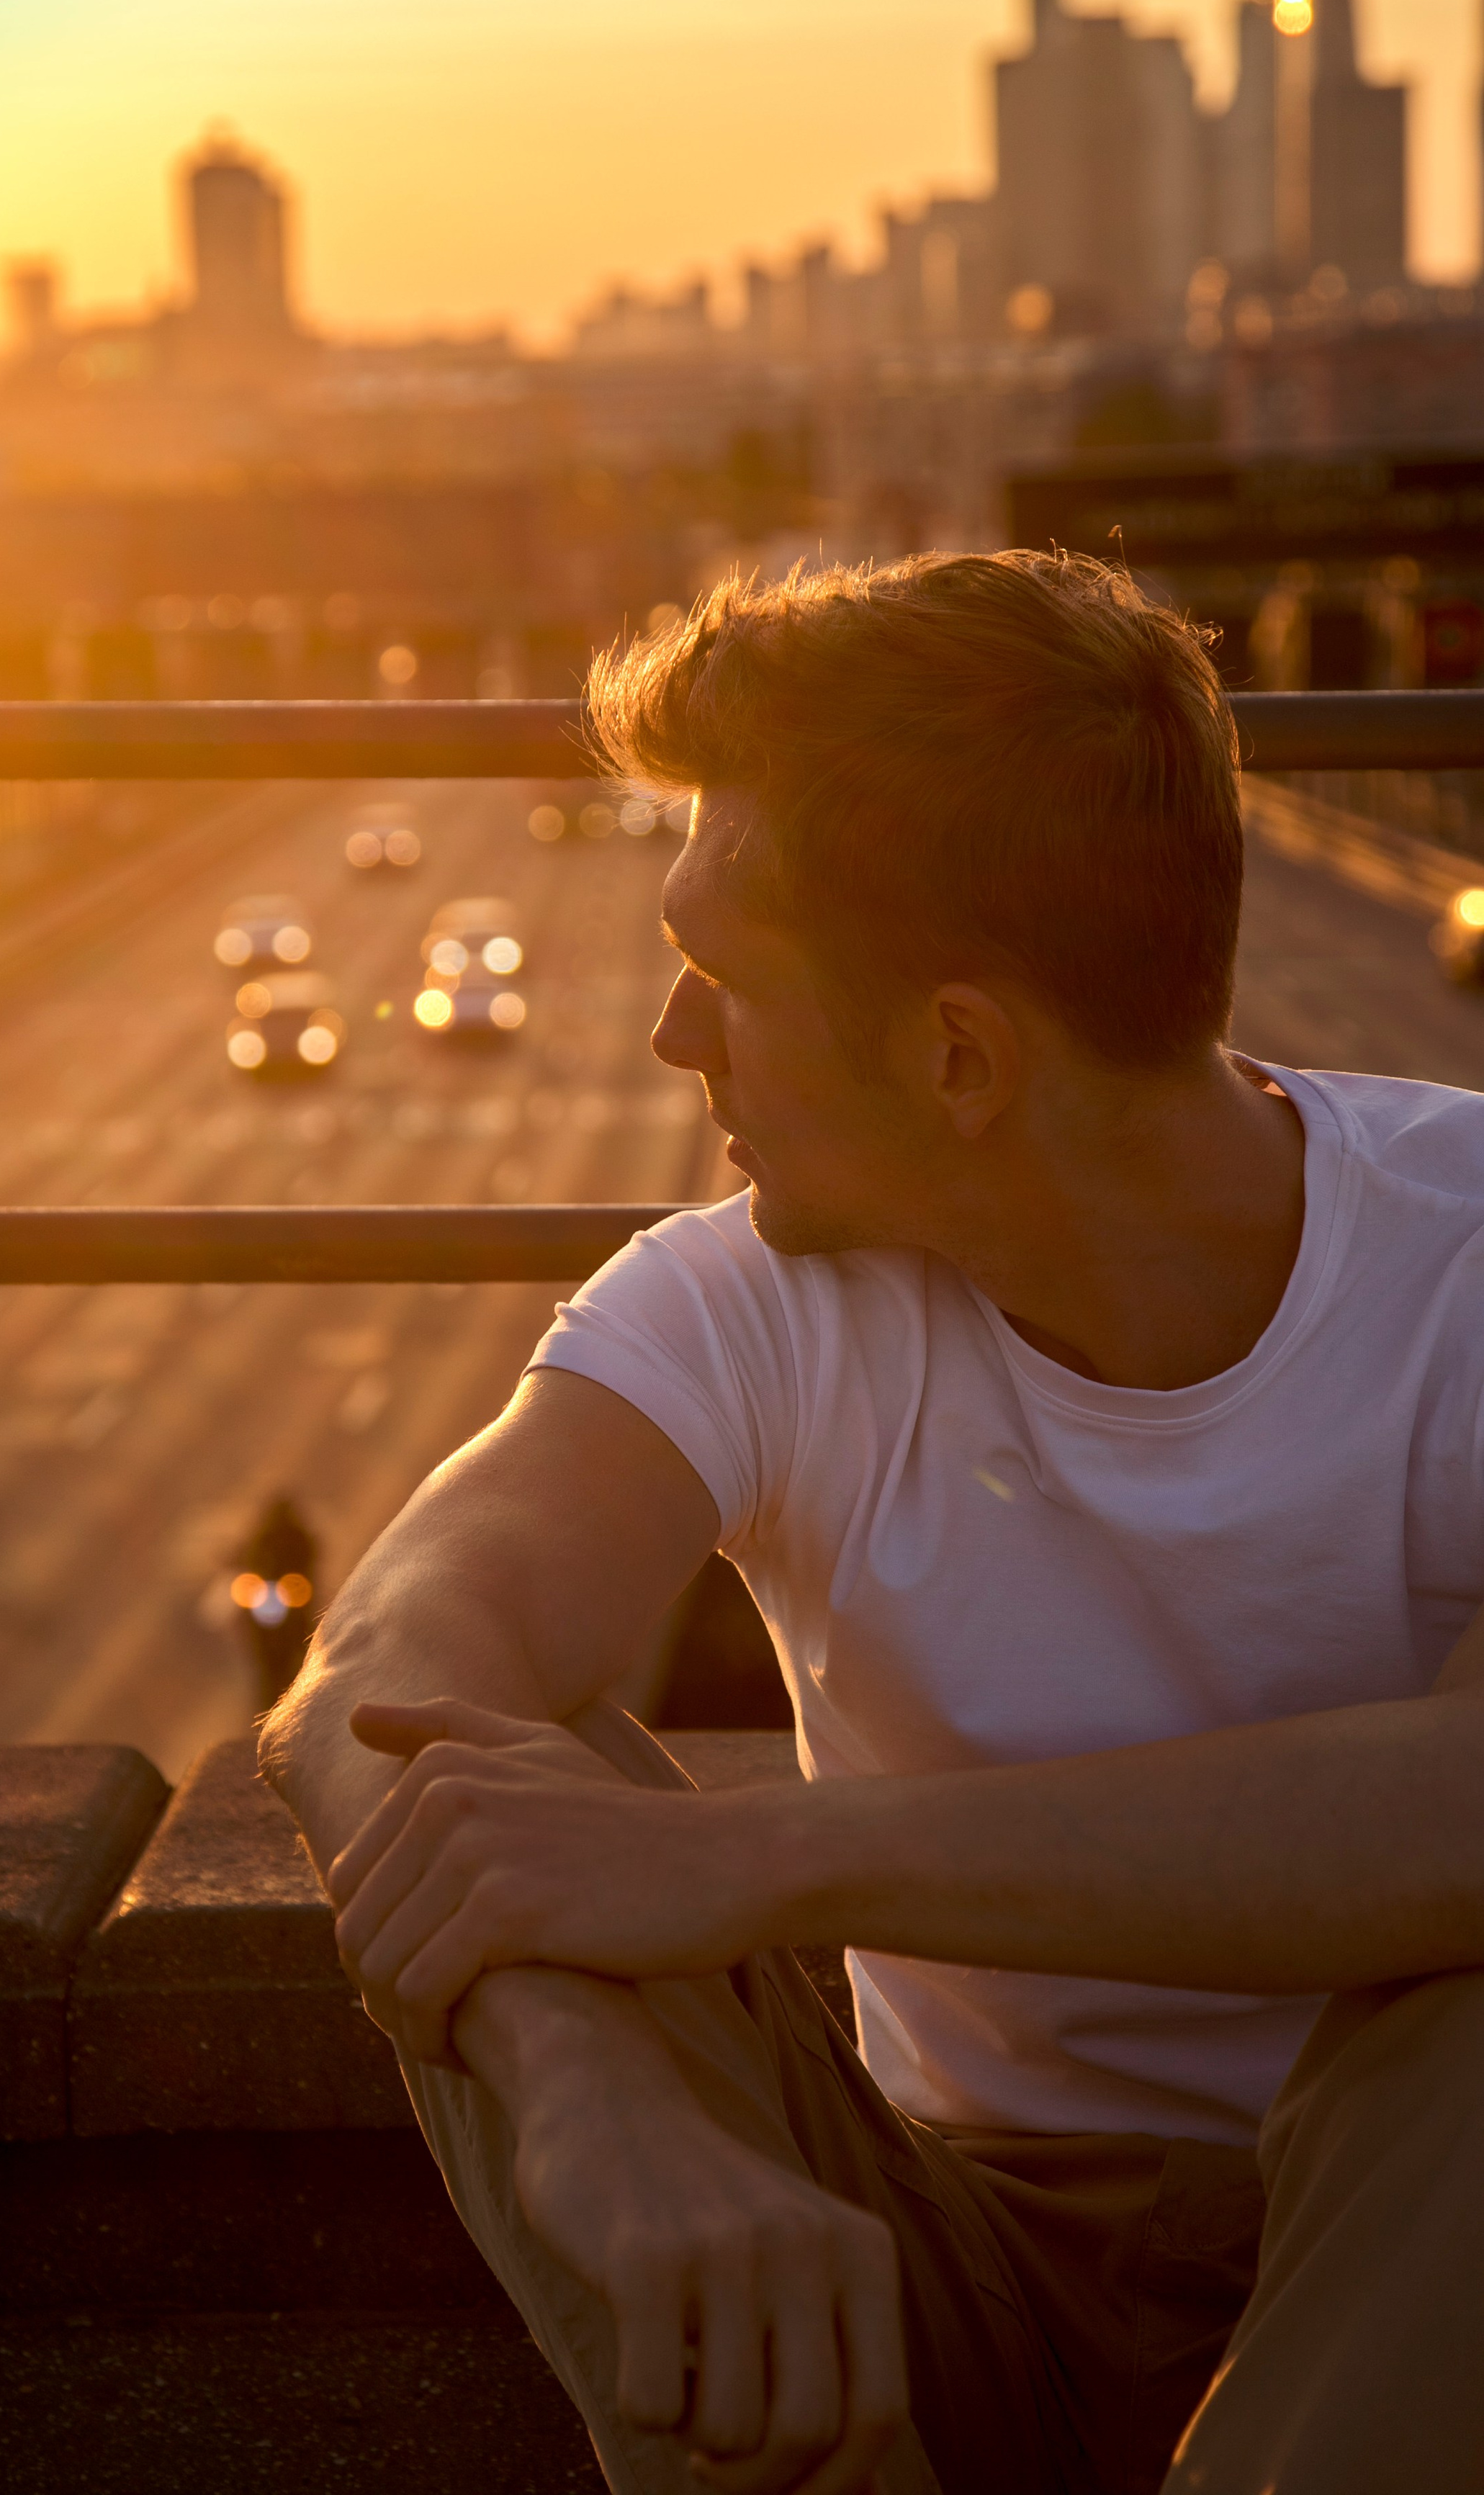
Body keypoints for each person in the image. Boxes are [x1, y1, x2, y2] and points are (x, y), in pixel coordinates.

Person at [261, 552, 1484, 2495]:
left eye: (725, 976)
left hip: (1414, 2271)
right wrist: (590, 2105)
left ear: (959, 1058)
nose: (678, 1039)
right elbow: (378, 1672)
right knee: (495, 1790)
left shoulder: (1470, 1262)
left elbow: (1463, 1811)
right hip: (945, 2269)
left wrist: (777, 1863)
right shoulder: (748, 1296)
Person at [232, 1490, 320, 1714]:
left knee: (301, 1632)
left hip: (292, 1595)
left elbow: (310, 1556)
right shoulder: (263, 1539)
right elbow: (249, 1560)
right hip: (267, 1595)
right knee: (260, 1645)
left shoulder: (296, 1536)